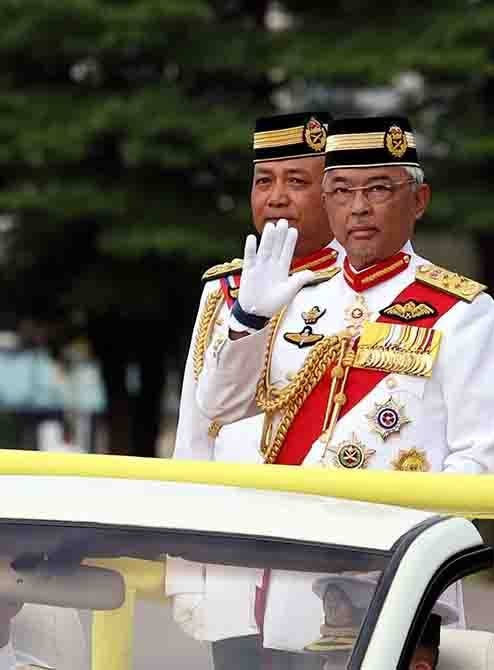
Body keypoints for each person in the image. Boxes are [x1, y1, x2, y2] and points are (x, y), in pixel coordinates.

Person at [193, 115, 494, 657]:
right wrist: (248, 318)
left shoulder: (462, 311)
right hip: (291, 580)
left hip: (398, 581)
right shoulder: (294, 295)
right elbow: (218, 406)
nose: (358, 207)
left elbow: (479, 459)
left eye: (378, 189)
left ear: (418, 200)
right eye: (341, 191)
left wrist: (405, 556)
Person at [165, 111, 344, 667]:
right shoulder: (225, 288)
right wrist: (184, 571)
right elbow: (197, 429)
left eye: (298, 181)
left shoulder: (362, 286)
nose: (277, 197)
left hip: (322, 561)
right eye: (264, 181)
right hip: (233, 557)